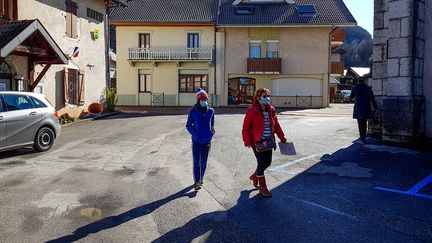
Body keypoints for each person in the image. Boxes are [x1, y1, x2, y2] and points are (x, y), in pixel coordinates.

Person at [242, 88, 287, 197]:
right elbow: (246, 127)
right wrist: (247, 141)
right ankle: (263, 188)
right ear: (258, 98)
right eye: (264, 96)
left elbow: (276, 125)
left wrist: (282, 137)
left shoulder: (271, 110)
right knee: (261, 163)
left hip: (269, 141)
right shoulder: (252, 110)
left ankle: (255, 175)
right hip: (257, 142)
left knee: (268, 163)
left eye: (268, 96)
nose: (267, 98)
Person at [186, 88, 215, 190]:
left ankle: (201, 178)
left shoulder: (211, 111)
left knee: (203, 163)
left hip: (207, 142)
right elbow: (188, 125)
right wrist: (195, 133)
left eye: (205, 99)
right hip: (196, 141)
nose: (204, 101)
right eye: (202, 99)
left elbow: (212, 124)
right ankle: (197, 181)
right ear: (198, 100)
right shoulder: (193, 111)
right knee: (196, 163)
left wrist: (212, 132)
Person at [350, 78, 378, 144]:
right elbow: (372, 99)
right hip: (366, 108)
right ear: (364, 81)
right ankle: (363, 137)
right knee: (365, 124)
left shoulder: (355, 88)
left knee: (360, 124)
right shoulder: (368, 88)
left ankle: (362, 138)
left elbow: (351, 97)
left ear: (358, 81)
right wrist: (376, 108)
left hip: (358, 108)